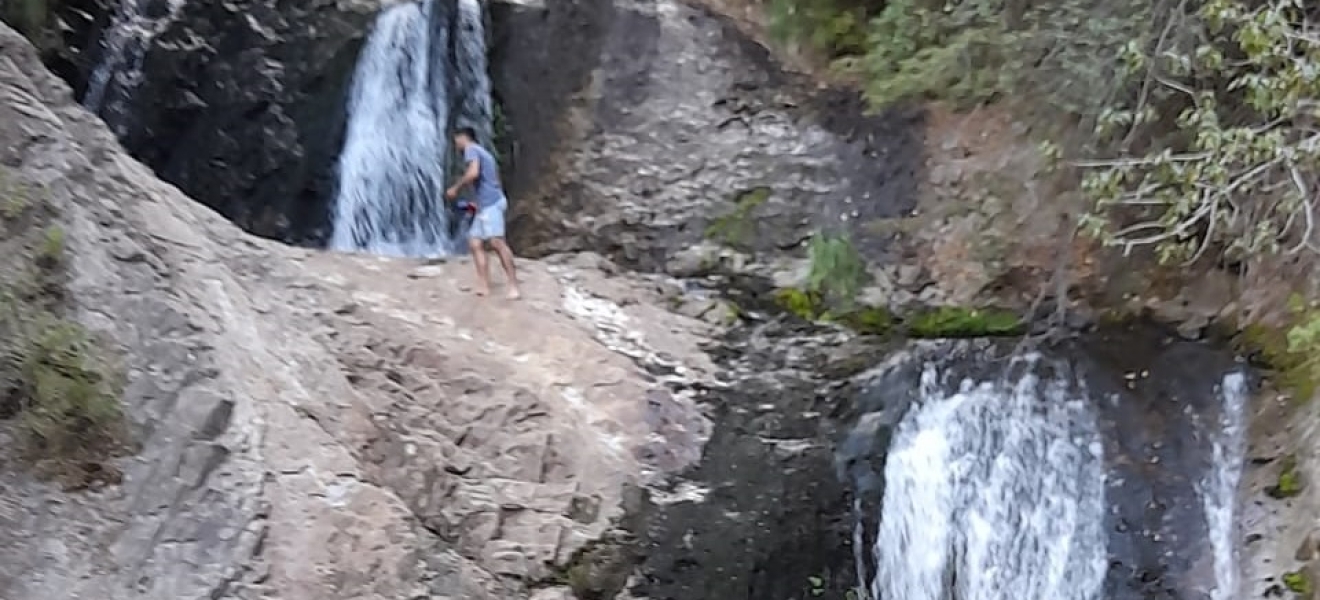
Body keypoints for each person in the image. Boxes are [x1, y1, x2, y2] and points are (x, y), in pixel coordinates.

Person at [445, 126, 520, 300]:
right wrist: (477, 203)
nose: (456, 144)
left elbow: (473, 173)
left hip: (491, 204)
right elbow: (491, 179)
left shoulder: (471, 150)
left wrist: (455, 188)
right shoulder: (484, 153)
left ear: (463, 137)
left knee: (497, 243)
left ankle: (513, 285)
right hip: (487, 204)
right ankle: (483, 285)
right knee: (475, 242)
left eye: (457, 140)